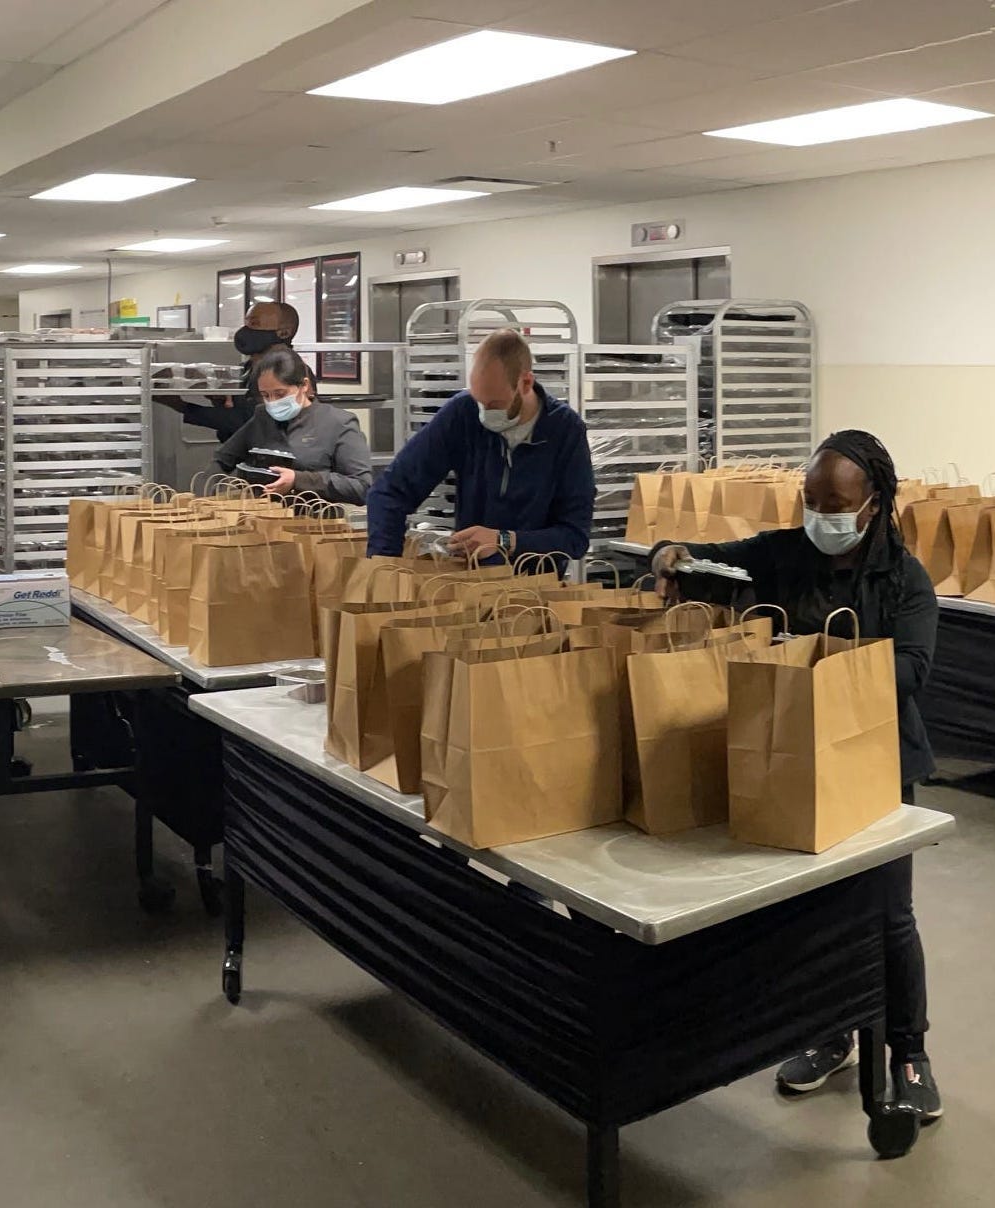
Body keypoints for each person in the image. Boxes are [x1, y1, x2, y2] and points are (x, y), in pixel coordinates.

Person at [650, 429, 942, 1122]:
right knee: (806, 908)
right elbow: (714, 562)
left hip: (875, 765)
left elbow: (913, 671)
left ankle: (907, 1052)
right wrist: (674, 555)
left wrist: (817, 660)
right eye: (809, 499)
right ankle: (828, 1033)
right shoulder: (783, 552)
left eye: (834, 502)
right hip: (790, 756)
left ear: (872, 502)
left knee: (885, 915)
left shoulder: (903, 579)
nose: (819, 514)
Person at [364, 328, 593, 562]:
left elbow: (574, 537)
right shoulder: (463, 412)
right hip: (470, 582)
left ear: (525, 383)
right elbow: (390, 491)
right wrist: (385, 565)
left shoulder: (565, 431)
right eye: (479, 401)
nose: (484, 413)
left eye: (494, 403)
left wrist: (504, 540)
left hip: (538, 588)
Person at [209, 348, 372, 504]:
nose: (272, 402)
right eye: (265, 395)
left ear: (304, 385)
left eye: (280, 394)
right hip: (262, 520)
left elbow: (361, 487)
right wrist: (209, 496)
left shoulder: (338, 423)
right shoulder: (262, 418)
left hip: (316, 524)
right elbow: (223, 459)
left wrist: (298, 479)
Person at [160, 301, 300, 440]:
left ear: (283, 333)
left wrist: (183, 406)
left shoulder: (283, 368)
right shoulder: (251, 366)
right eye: (247, 323)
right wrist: (217, 398)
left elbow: (252, 423)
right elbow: (238, 421)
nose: (245, 330)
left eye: (255, 324)